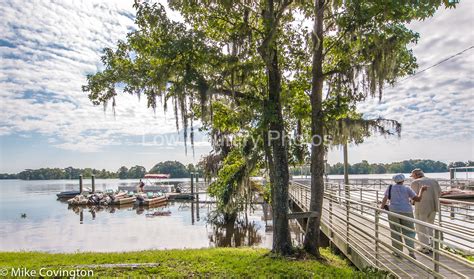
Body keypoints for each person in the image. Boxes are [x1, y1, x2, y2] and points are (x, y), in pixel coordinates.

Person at [381, 174, 427, 259]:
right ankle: (411, 252)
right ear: (403, 180)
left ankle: (397, 252)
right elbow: (418, 199)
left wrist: (381, 209)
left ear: (394, 180)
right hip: (407, 211)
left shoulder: (390, 187)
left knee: (395, 231)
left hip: (393, 211)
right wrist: (422, 190)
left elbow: (385, 198)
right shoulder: (407, 188)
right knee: (409, 231)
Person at [410, 168, 442, 254]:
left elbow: (413, 196)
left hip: (421, 207)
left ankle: (424, 247)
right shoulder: (434, 181)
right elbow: (439, 193)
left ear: (416, 175)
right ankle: (432, 245)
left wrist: (411, 202)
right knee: (430, 226)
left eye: (412, 176)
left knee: (421, 226)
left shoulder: (415, 182)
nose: (412, 178)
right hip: (433, 206)